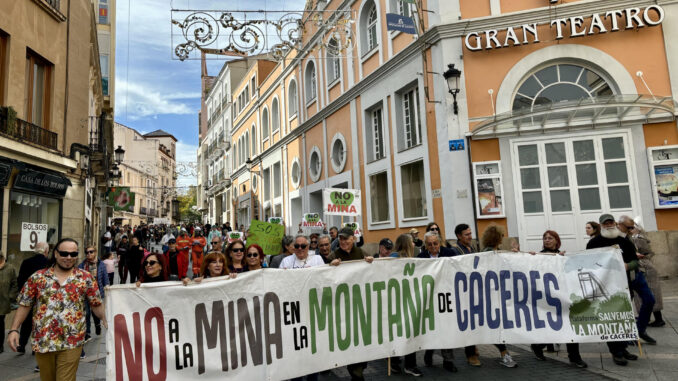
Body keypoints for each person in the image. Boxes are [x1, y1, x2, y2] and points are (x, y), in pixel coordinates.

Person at [7, 238, 106, 381]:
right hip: (44, 342)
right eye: (64, 253)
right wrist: (14, 329)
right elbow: (25, 304)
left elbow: (96, 304)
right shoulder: (38, 277)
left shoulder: (86, 278)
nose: (69, 257)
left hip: (72, 342)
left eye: (73, 254)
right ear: (56, 254)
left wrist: (107, 320)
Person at [587, 213, 653, 364]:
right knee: (611, 320)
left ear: (615, 223)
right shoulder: (593, 243)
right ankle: (615, 352)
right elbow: (588, 264)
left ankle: (623, 348)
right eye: (605, 223)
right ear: (601, 225)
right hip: (604, 288)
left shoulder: (625, 242)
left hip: (624, 286)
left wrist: (627, 265)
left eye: (611, 222)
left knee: (624, 318)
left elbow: (635, 262)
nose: (609, 225)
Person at [530, 231, 587, 368]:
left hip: (564, 296)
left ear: (557, 241)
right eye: (545, 238)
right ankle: (538, 345)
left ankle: (574, 357)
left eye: (550, 238)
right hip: (549, 298)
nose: (547, 240)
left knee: (570, 326)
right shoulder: (539, 255)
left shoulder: (563, 256)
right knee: (554, 326)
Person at [326, 227, 373, 381]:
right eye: (340, 239)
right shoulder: (334, 255)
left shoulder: (361, 253)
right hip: (342, 307)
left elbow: (373, 273)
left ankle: (360, 367)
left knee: (363, 340)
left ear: (353, 239)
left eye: (346, 238)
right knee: (351, 341)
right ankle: (356, 374)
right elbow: (323, 277)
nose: (343, 241)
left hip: (361, 305)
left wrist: (371, 262)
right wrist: (330, 266)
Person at [477, 224, 518, 368]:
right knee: (496, 327)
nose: (502, 238)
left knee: (497, 327)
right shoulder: (488, 252)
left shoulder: (496, 251)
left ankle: (504, 353)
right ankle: (505, 354)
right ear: (495, 237)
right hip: (491, 295)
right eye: (501, 235)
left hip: (497, 295)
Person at [417, 231, 458, 371]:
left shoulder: (449, 253)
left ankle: (448, 360)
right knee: (432, 328)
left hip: (446, 296)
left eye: (435, 243)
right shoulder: (421, 257)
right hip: (429, 297)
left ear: (439, 242)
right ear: (425, 245)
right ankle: (429, 351)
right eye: (429, 244)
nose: (433, 246)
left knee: (446, 328)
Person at [618, 216, 665, 328]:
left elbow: (646, 252)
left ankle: (658, 319)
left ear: (638, 229)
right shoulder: (633, 237)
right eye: (629, 228)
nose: (630, 230)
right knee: (646, 295)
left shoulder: (638, 238)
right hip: (643, 267)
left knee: (650, 294)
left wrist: (638, 255)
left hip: (645, 267)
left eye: (632, 228)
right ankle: (647, 317)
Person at [387, 234, 422, 376]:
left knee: (402, 334)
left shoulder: (409, 258)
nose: (414, 244)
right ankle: (408, 365)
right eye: (412, 242)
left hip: (404, 301)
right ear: (407, 244)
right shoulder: (395, 258)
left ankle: (397, 363)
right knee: (407, 334)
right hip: (399, 302)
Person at [16, 242, 49, 354]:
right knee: (40, 322)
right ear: (46, 251)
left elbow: (20, 280)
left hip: (29, 296)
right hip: (43, 298)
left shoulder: (26, 262)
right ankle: (36, 347)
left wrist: (23, 294)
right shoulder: (49, 263)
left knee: (26, 322)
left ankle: (21, 344)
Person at [78, 245, 109, 340]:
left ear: (95, 252)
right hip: (85, 293)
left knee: (95, 312)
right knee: (86, 313)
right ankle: (87, 333)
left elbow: (105, 277)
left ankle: (97, 324)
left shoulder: (101, 264)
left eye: (91, 252)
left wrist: (107, 286)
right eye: (87, 252)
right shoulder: (82, 265)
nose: (89, 254)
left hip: (97, 292)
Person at [0, 251, 18, 354]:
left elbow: (14, 284)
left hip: (3, 301)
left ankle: (0, 345)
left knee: (0, 323)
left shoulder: (9, 268)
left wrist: (10, 297)